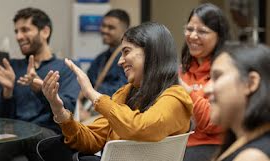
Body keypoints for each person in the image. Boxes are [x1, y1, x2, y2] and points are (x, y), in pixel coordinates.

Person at [38, 22, 193, 161]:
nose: (120, 61)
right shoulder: (124, 93)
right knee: (52, 146)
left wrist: (92, 94)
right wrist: (59, 111)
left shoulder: (176, 97)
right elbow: (91, 140)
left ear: (151, 53)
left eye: (126, 51)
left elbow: (139, 128)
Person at [0, 7, 80, 161]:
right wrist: (7, 92)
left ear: (45, 31)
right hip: (15, 141)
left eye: (25, 30)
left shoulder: (66, 67)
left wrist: (42, 91)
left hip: (50, 139)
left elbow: (68, 110)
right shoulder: (12, 68)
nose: (18, 36)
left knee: (26, 133)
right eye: (16, 31)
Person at [178, 3, 230, 161]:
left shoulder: (227, 70)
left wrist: (184, 89)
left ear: (219, 36)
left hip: (209, 147)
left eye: (202, 31)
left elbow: (214, 121)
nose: (193, 36)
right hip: (175, 144)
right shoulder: (181, 70)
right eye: (189, 29)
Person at [206, 43, 270, 161]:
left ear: (250, 83)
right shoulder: (238, 140)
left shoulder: (253, 157)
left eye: (217, 77)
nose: (206, 89)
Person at [78, 9, 129, 121]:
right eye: (103, 26)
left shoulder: (128, 59)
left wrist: (90, 114)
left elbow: (122, 90)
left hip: (111, 114)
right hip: (92, 109)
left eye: (111, 28)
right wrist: (79, 100)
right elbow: (88, 81)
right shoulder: (100, 58)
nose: (104, 30)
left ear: (125, 31)